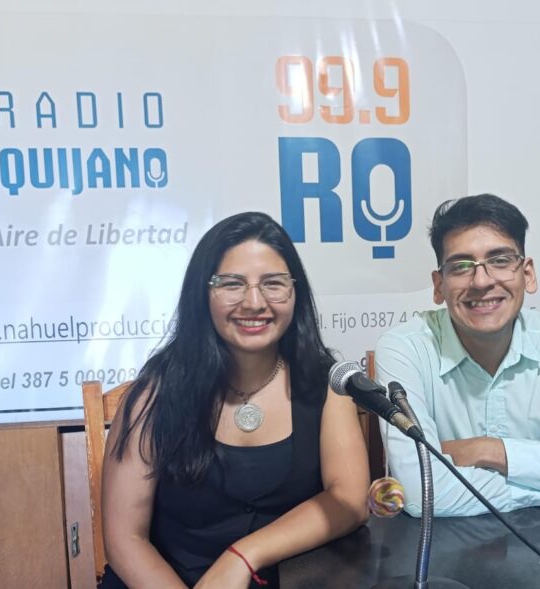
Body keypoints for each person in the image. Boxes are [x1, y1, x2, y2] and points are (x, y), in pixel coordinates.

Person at [101, 211, 370, 587]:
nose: (254, 302)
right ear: (203, 293)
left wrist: (244, 555)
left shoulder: (326, 383)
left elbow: (350, 500)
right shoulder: (155, 394)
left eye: (273, 284)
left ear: (295, 292)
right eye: (232, 284)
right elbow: (125, 539)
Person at [375, 194, 540, 517]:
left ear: (528, 274)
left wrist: (492, 450)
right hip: (442, 544)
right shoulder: (404, 348)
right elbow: (422, 492)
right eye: (461, 266)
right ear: (438, 285)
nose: (482, 281)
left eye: (500, 261)